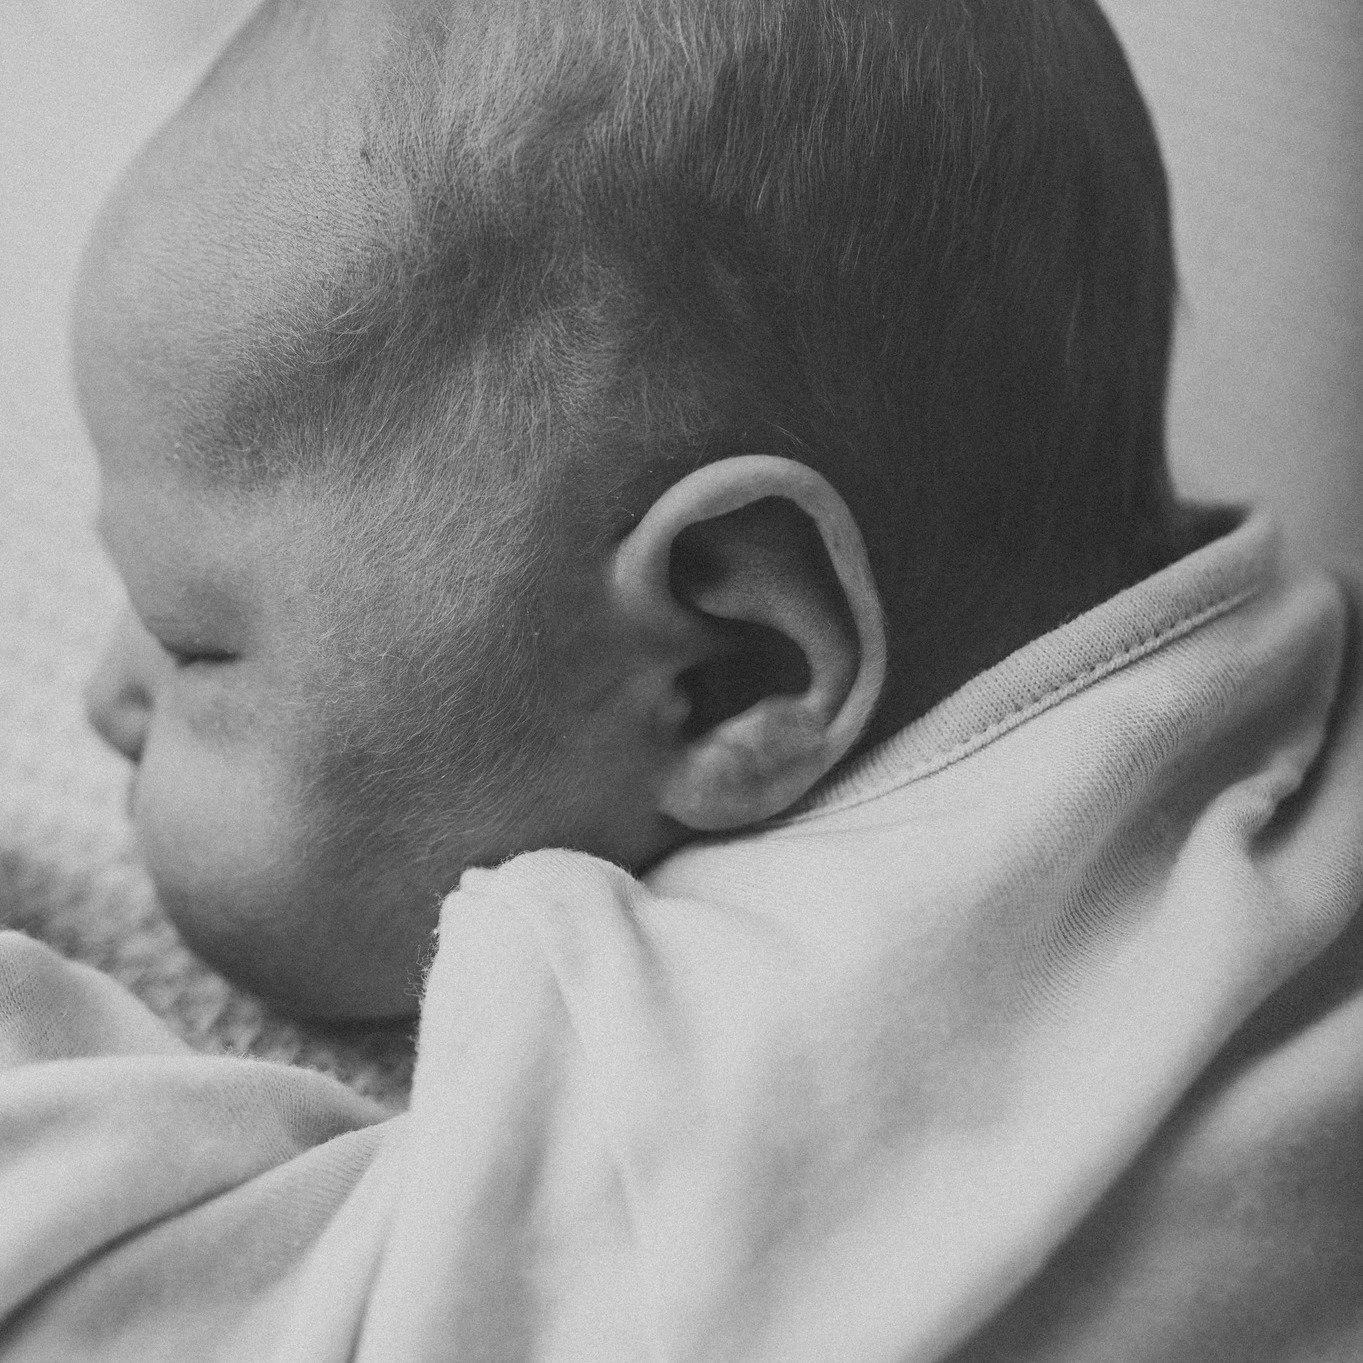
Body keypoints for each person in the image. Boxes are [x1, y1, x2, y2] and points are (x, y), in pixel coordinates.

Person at [3, 0, 1361, 1356]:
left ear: (730, 666)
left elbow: (144, 1303)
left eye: (195, 641)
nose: (105, 699)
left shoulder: (723, 1071)